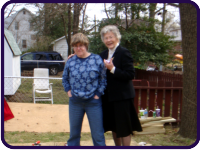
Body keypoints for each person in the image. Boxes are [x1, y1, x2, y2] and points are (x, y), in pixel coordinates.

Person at [100, 25, 142, 146]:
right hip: (108, 97)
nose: (108, 40)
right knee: (114, 126)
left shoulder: (124, 52)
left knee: (123, 127)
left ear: (117, 37)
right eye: (106, 38)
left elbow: (130, 74)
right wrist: (75, 57)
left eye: (111, 37)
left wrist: (112, 69)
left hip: (122, 97)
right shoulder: (103, 54)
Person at [62, 33, 107, 146]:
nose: (78, 48)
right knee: (74, 135)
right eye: (75, 46)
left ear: (86, 45)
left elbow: (103, 79)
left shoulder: (96, 59)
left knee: (98, 135)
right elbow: (65, 78)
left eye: (81, 45)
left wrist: (98, 94)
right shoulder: (70, 61)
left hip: (93, 102)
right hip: (75, 102)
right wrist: (69, 92)